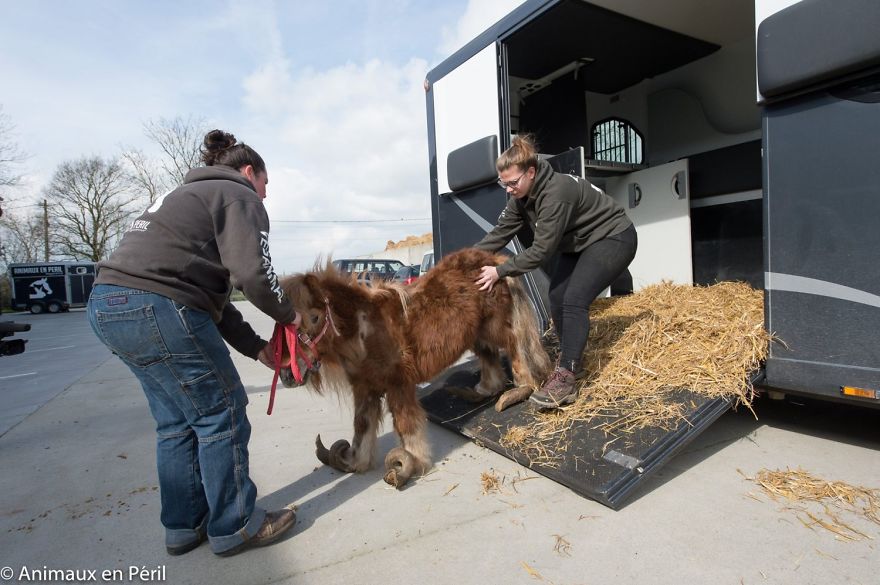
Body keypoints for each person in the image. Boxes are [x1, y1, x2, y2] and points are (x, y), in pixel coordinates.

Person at [87, 130, 300, 557]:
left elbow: (211, 297)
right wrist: (289, 315)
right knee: (222, 413)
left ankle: (185, 526)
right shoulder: (238, 195)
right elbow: (253, 275)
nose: (265, 194)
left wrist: (258, 347)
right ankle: (236, 525)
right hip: (159, 306)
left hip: (108, 305)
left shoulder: (187, 197)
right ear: (247, 172)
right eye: (265, 183)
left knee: (177, 421)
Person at [474, 134, 637, 408]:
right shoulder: (520, 197)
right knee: (558, 297)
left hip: (613, 237)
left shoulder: (555, 194)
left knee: (574, 299)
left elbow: (541, 252)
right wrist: (467, 259)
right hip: (581, 242)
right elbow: (500, 232)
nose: (508, 189)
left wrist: (498, 272)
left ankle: (567, 378)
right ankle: (572, 358)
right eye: (504, 183)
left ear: (531, 172)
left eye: (513, 182)